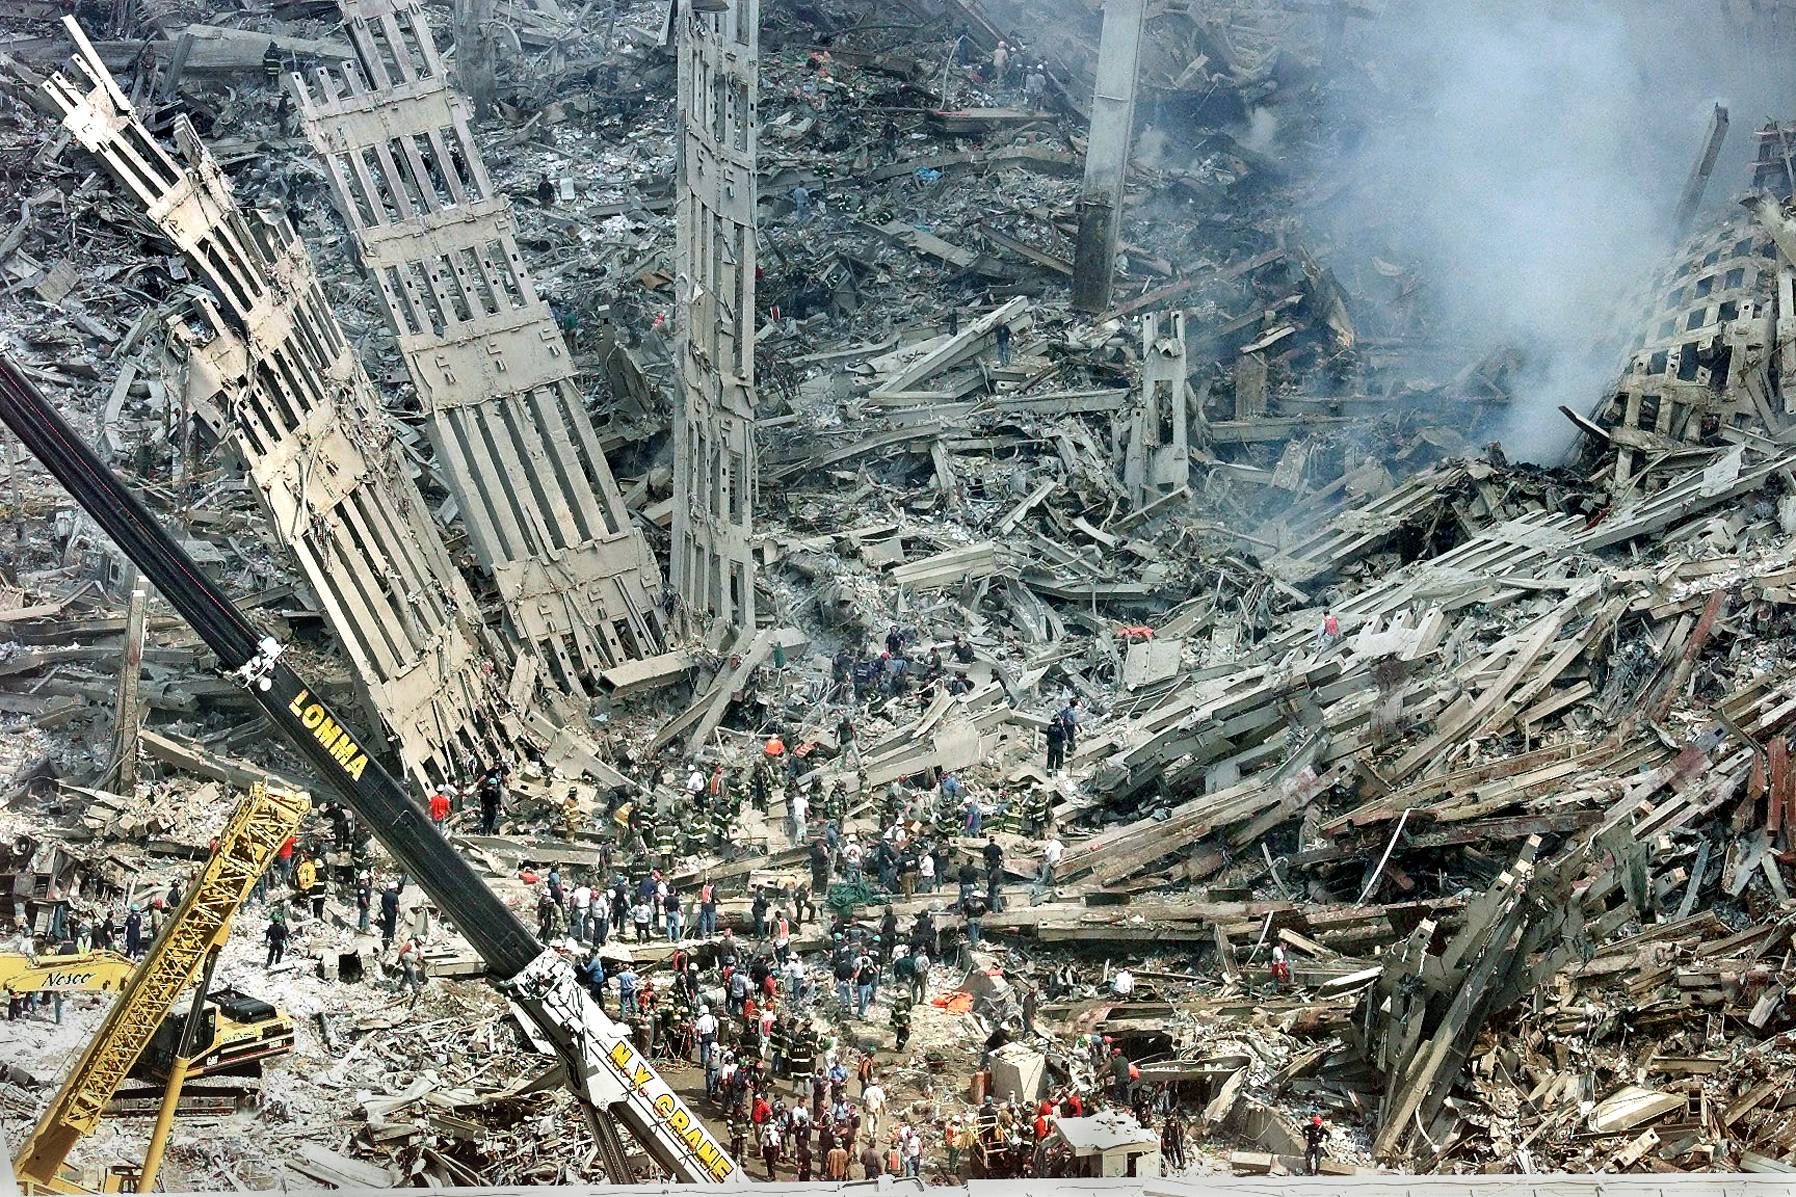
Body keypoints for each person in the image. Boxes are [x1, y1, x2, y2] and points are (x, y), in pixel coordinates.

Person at [379, 880, 400, 947]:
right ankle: (390, 939)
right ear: (393, 888)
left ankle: (385, 936)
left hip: (386, 912)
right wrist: (399, 913)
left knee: (387, 924)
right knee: (391, 926)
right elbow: (396, 906)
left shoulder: (385, 894)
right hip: (392, 914)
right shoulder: (395, 896)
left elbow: (382, 902)